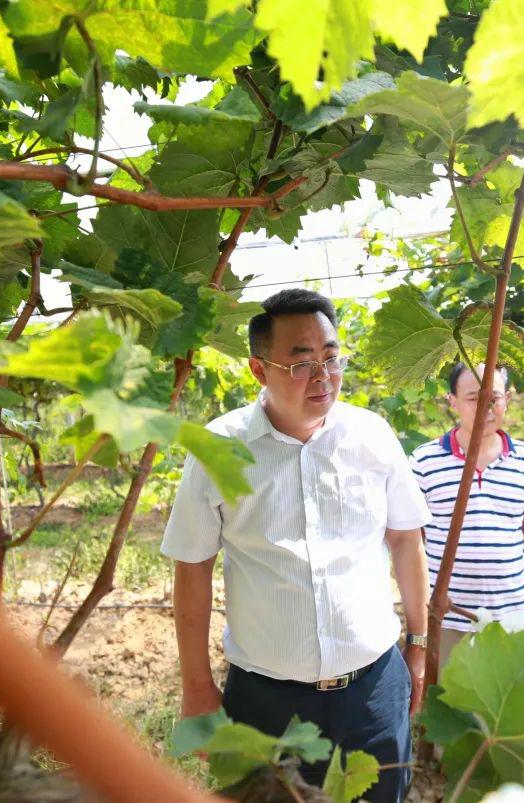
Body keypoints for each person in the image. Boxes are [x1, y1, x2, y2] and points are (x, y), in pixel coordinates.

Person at [161, 289, 431, 803]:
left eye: (331, 358)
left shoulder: (372, 437)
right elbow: (191, 568)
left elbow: (404, 538)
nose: (323, 376)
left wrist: (418, 645)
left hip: (373, 690)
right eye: (301, 363)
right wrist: (196, 685)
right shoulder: (219, 450)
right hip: (267, 703)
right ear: (259, 370)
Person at [409, 363, 524, 666]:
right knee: (452, 704)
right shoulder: (424, 462)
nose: (486, 406)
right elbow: (415, 540)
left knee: (509, 703)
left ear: (508, 399)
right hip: (448, 616)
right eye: (473, 398)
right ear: (453, 401)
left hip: (513, 610)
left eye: (495, 397)